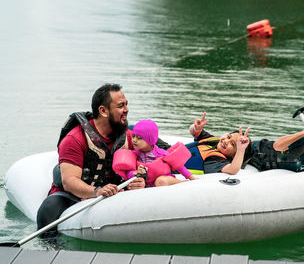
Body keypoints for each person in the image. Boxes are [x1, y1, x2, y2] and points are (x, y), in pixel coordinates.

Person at [36, 84, 146, 236]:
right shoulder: (74, 139)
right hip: (73, 196)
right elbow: (69, 181)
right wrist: (97, 191)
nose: (126, 109)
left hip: (114, 192)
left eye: (127, 104)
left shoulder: (128, 136)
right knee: (49, 208)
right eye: (121, 106)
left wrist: (140, 180)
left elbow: (158, 154)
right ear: (103, 111)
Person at [113, 119, 197, 186]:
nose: (134, 140)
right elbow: (128, 172)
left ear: (150, 140)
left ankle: (182, 184)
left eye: (139, 138)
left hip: (164, 179)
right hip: (148, 185)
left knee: (160, 181)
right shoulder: (134, 155)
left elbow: (178, 166)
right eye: (133, 136)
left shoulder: (162, 153)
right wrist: (134, 173)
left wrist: (190, 177)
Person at [184, 112, 251, 175]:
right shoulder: (214, 140)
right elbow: (196, 133)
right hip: (173, 153)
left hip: (174, 170)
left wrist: (241, 150)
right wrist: (196, 128)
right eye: (228, 137)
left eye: (232, 144)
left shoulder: (216, 160)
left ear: (234, 155)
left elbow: (232, 169)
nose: (226, 141)